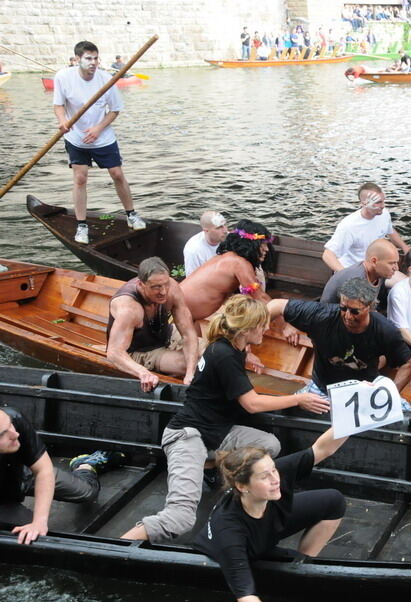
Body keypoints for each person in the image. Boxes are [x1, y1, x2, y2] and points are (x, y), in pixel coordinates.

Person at [121, 296, 331, 544]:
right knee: (180, 518)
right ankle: (116, 546)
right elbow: (252, 404)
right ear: (247, 328)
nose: (266, 328)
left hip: (216, 433)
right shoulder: (224, 354)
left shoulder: (235, 349)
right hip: (187, 436)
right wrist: (298, 399)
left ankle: (207, 466)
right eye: (263, 324)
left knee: (269, 445)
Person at [194, 429, 348, 602]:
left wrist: (353, 420)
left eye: (273, 470)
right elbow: (246, 598)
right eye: (265, 476)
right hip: (250, 550)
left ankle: (301, 564)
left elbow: (322, 448)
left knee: (333, 500)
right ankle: (294, 573)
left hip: (270, 522)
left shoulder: (275, 478)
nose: (275, 479)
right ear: (243, 486)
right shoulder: (229, 531)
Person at [53, 40, 145, 245]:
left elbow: (115, 110)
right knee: (80, 178)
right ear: (77, 60)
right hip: (75, 137)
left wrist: (97, 128)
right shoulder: (63, 77)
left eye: (95, 58)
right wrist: (62, 122)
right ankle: (82, 226)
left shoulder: (105, 79)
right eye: (88, 58)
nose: (93, 62)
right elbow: (58, 105)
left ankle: (131, 215)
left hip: (102, 136)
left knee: (117, 174)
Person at [268, 278, 411, 398]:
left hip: (363, 395)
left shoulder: (385, 330)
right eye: (343, 308)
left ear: (370, 307)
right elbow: (276, 305)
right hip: (322, 389)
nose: (347, 316)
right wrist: (248, 338)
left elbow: (409, 364)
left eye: (355, 311)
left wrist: (390, 395)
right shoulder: (322, 315)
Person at [0, 407, 123, 545]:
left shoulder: (14, 419)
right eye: (4, 433)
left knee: (87, 491)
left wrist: (39, 522)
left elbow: (44, 470)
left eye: (10, 424)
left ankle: (85, 465)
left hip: (22, 474)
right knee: (28, 538)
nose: (15, 434)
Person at [106, 257, 201, 392]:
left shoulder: (172, 288)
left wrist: (190, 374)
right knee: (191, 364)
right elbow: (114, 352)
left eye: (165, 284)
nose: (163, 292)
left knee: (212, 350)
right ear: (140, 285)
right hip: (140, 350)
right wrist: (143, 373)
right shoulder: (130, 308)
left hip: (165, 334)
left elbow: (188, 333)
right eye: (156, 287)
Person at [180, 220, 276, 321]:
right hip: (175, 313)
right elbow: (260, 297)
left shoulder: (230, 258)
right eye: (262, 244)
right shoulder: (239, 263)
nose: (267, 249)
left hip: (187, 316)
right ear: (250, 244)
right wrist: (284, 324)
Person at [322, 183, 409, 273]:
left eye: (383, 201)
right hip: (354, 271)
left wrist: (405, 247)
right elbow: (328, 255)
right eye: (378, 202)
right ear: (364, 203)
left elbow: (390, 231)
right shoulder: (349, 226)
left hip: (377, 267)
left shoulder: (384, 214)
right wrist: (345, 275)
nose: (383, 205)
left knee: (404, 282)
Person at [320, 238, 400, 307]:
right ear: (374, 261)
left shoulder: (379, 274)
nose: (396, 268)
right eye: (391, 263)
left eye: (396, 263)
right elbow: (352, 315)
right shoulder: (357, 280)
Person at [183, 210, 229, 277]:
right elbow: (192, 279)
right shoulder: (193, 250)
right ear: (206, 230)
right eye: (219, 227)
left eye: (225, 225)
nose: (225, 230)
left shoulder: (230, 238)